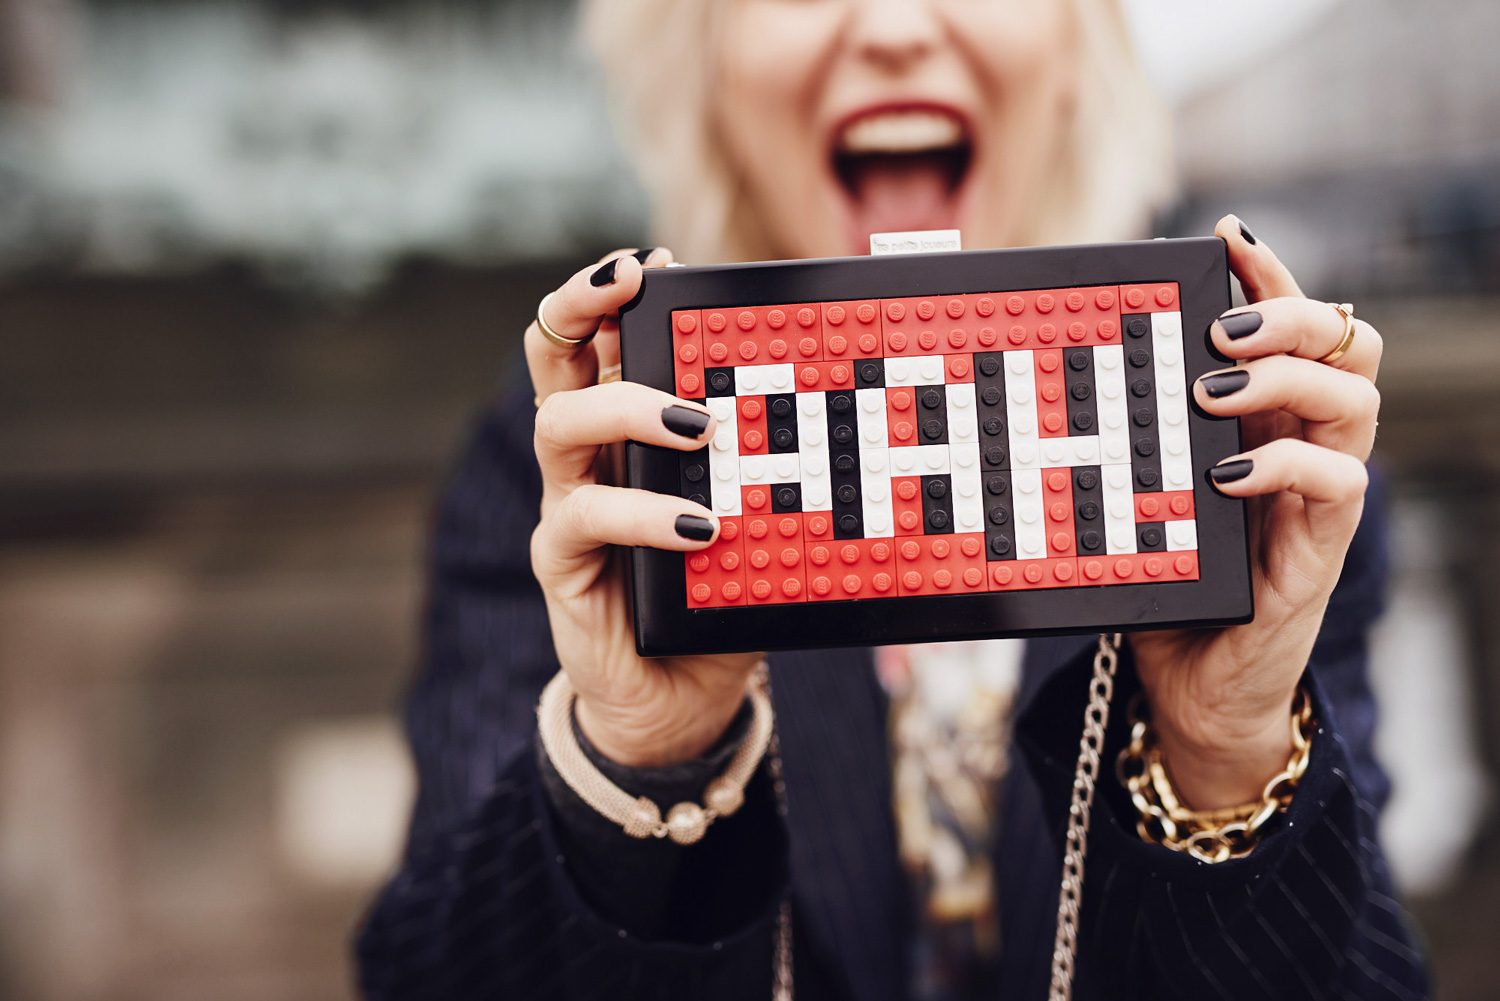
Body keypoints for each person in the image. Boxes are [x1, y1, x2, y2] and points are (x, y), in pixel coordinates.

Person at [357, 1, 1427, 998]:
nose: (897, 28)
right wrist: (638, 761)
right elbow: (431, 968)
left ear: (1076, 47)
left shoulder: (1248, 452)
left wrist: (1225, 751)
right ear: (701, 63)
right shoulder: (582, 463)